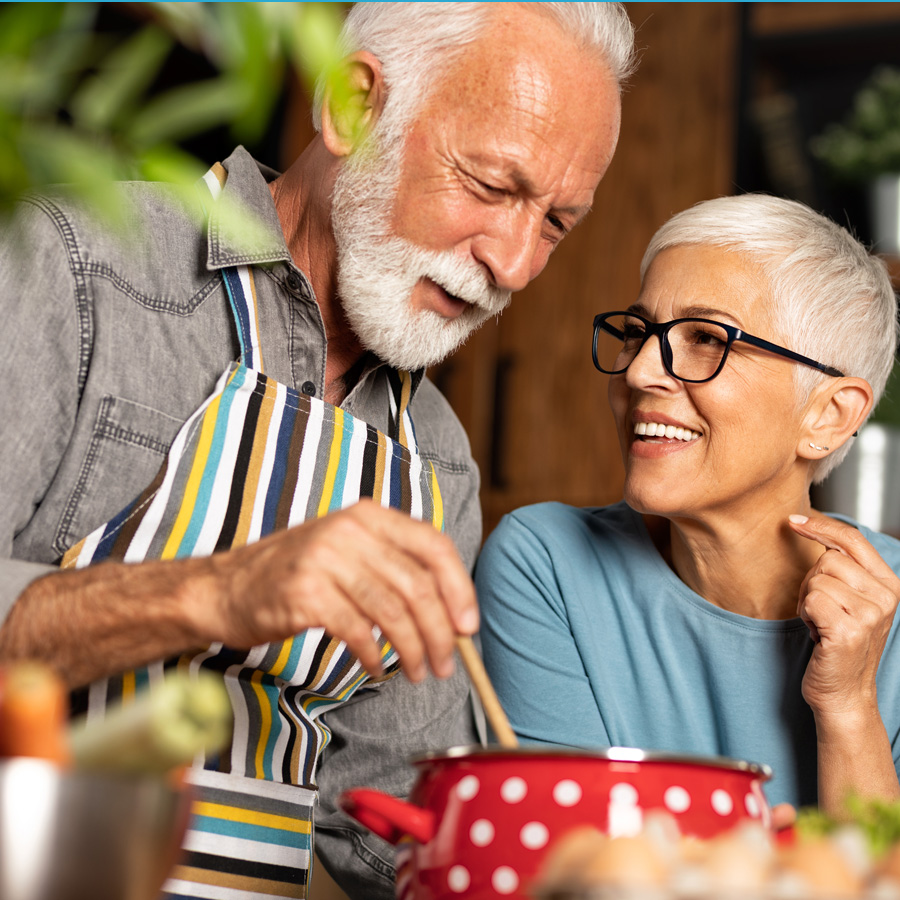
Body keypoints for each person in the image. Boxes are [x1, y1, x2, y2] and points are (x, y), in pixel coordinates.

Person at [0, 3, 635, 898]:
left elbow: (384, 825)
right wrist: (216, 592)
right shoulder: (71, 266)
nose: (518, 264)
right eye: (492, 187)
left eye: (557, 223)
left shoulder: (436, 460)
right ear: (353, 108)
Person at [476, 193, 900, 820]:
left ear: (828, 415)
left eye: (706, 338)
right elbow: (568, 867)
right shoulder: (547, 565)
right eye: (639, 332)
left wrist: (848, 705)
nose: (640, 371)